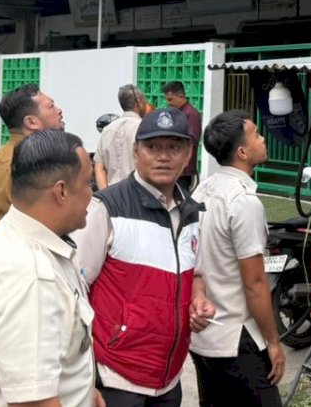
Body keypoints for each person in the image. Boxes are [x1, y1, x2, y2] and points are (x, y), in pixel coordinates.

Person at [0, 130, 102, 407]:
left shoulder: (21, 236)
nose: (92, 194)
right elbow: (33, 402)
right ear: (62, 191)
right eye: (88, 184)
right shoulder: (30, 275)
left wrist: (82, 390)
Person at [73, 107, 208, 407]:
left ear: (187, 155)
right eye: (153, 147)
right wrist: (83, 372)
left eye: (174, 147)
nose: (163, 156)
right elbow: (74, 288)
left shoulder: (192, 211)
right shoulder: (107, 207)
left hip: (169, 377)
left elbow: (195, 272)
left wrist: (198, 301)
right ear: (136, 152)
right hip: (117, 376)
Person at [189, 111, 283, 407]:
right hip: (235, 337)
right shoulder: (244, 203)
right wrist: (273, 342)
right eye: (256, 134)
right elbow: (254, 283)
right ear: (242, 152)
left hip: (203, 337)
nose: (262, 139)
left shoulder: (202, 190)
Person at [0, 84, 65, 243]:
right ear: (31, 122)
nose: (59, 111)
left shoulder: (0, 157)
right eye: (51, 106)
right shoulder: (29, 165)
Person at [95, 84, 147, 189]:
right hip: (137, 193)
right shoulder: (143, 128)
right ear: (139, 101)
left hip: (111, 194)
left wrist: (105, 194)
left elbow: (99, 166)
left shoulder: (107, 130)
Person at [162, 81, 202, 194]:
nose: (168, 103)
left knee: (182, 202)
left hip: (184, 170)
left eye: (170, 99)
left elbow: (191, 141)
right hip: (173, 167)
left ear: (181, 96)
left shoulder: (191, 114)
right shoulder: (174, 112)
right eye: (166, 99)